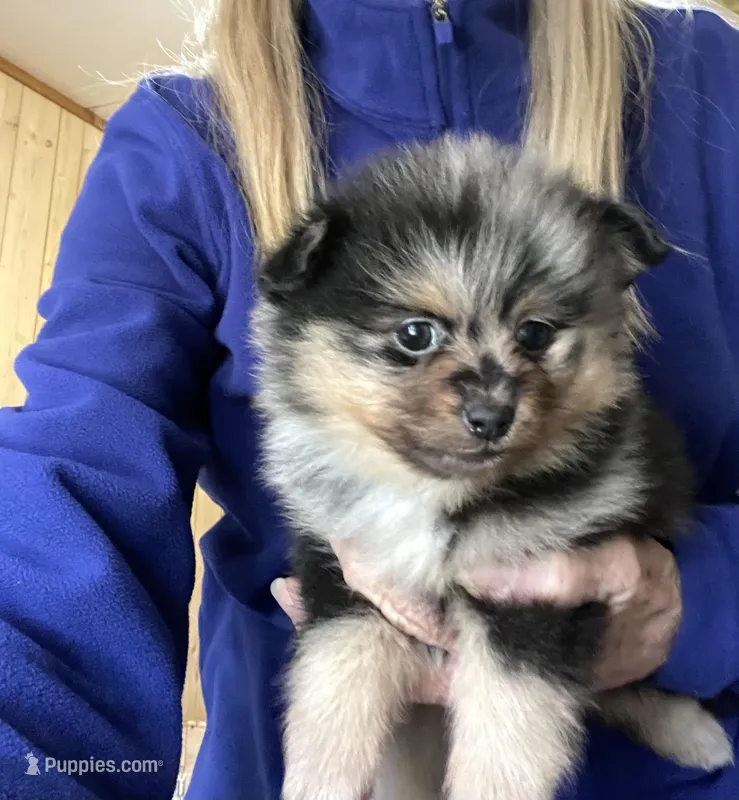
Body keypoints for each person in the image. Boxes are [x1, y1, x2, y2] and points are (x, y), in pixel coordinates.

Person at [0, 0, 738, 798]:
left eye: (532, 336)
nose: (489, 402)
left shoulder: (705, 72)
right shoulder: (184, 137)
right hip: (280, 757)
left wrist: (700, 602)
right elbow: (66, 486)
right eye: (415, 338)